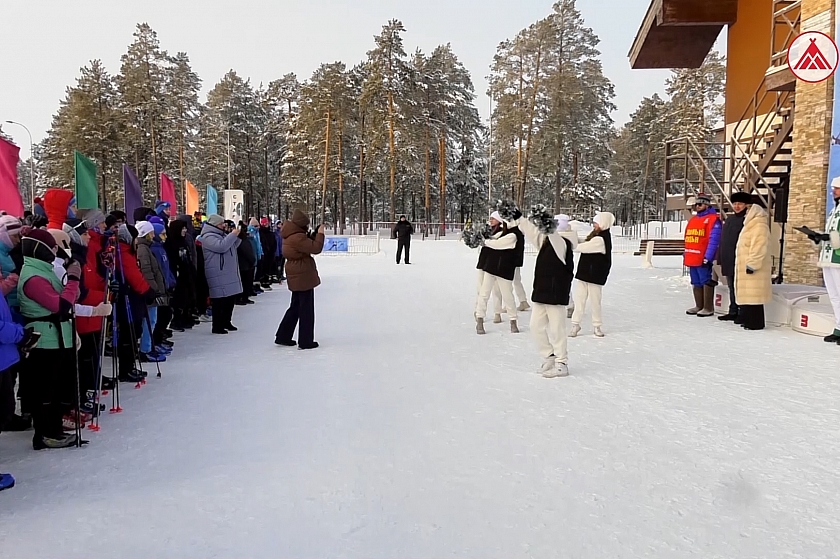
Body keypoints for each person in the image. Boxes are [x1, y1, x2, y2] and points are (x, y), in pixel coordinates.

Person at [17, 229, 81, 449]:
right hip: (44, 339)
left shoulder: (44, 271)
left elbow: (68, 298)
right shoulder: (33, 276)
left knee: (60, 388)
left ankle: (54, 427)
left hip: (58, 337)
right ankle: (45, 433)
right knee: (46, 390)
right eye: (52, 247)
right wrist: (73, 278)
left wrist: (72, 283)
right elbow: (60, 305)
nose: (56, 251)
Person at [513, 210, 577, 378]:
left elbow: (554, 236)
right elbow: (531, 231)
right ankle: (549, 356)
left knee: (557, 329)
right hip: (542, 293)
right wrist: (518, 217)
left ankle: (562, 363)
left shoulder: (562, 244)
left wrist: (548, 224)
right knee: (535, 327)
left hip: (556, 295)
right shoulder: (545, 241)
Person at [275, 209, 324, 349]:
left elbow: (307, 245)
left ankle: (283, 335)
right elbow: (315, 248)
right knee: (306, 309)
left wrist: (314, 234)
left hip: (297, 272)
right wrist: (320, 234)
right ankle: (305, 340)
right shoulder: (297, 237)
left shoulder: (292, 234)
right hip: (302, 274)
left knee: (296, 306)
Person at [570, 212, 616, 338]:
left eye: (596, 223)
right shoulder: (596, 235)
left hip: (595, 276)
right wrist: (572, 238)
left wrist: (569, 245)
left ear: (603, 224)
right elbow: (584, 241)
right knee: (579, 300)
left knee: (595, 302)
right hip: (585, 274)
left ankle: (597, 326)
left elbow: (584, 247)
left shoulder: (601, 239)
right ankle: (575, 324)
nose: (594, 225)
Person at [474, 212, 519, 335]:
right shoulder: (493, 234)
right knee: (484, 294)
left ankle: (513, 320)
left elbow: (498, 244)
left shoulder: (512, 236)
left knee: (507, 296)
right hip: (491, 268)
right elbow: (491, 242)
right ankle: (480, 319)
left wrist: (484, 241)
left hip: (504, 270)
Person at [733, 197, 772, 331]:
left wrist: (753, 264)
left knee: (755, 297)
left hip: (754, 266)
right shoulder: (750, 224)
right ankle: (748, 319)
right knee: (749, 295)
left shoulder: (759, 225)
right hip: (746, 264)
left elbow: (759, 246)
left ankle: (755, 323)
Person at [199, 215, 242, 334]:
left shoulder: (221, 235)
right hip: (217, 272)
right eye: (221, 224)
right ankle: (217, 325)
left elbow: (233, 245)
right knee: (219, 301)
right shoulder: (208, 237)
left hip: (226, 271)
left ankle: (226, 321)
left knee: (229, 298)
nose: (224, 226)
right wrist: (232, 235)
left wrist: (237, 235)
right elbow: (221, 247)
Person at [683, 195, 722, 317]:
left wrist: (708, 256)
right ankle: (699, 305)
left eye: (700, 204)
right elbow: (688, 238)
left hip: (703, 257)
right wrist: (686, 253)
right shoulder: (693, 220)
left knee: (705, 280)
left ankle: (708, 307)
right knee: (695, 281)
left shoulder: (713, 219)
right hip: (692, 256)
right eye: (696, 205)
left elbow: (714, 240)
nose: (697, 207)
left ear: (707, 205)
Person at [718, 191, 752, 323]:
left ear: (746, 205)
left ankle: (741, 312)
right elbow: (724, 239)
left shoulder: (748, 220)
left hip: (740, 258)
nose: (737, 206)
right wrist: (720, 256)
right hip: (728, 257)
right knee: (731, 286)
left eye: (740, 203)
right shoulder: (730, 219)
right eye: (735, 203)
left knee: (741, 287)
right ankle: (733, 310)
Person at [815, 178, 840, 344]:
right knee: (834, 295)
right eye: (833, 188)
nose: (834, 191)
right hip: (828, 257)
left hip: (838, 258)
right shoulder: (834, 210)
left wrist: (829, 237)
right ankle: (838, 327)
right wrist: (819, 238)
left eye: (837, 189)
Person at [165, 219, 197, 331]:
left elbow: (189, 256)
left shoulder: (184, 241)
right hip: (177, 275)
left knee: (187, 297)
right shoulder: (171, 243)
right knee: (178, 299)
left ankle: (185, 318)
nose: (185, 230)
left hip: (186, 273)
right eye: (182, 228)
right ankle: (177, 321)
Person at [236, 223, 257, 306]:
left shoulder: (243, 240)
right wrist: (252, 260)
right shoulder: (243, 240)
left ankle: (243, 297)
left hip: (244, 264)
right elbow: (247, 252)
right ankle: (242, 297)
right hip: (245, 265)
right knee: (245, 282)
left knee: (245, 282)